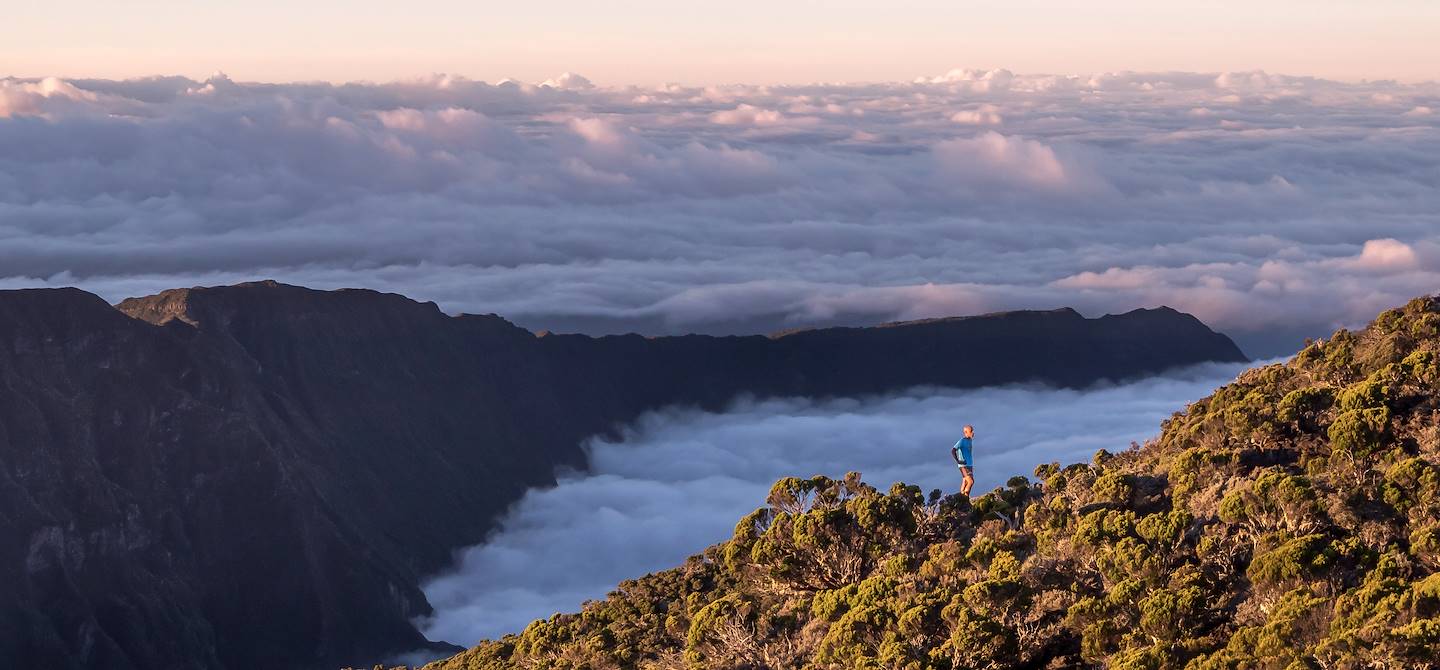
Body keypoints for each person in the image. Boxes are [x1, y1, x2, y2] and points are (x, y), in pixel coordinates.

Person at [951, 424, 975, 497]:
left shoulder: (970, 440)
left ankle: (962, 498)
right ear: (966, 432)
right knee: (970, 482)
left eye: (973, 431)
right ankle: (965, 498)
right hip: (963, 465)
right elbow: (953, 450)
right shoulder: (961, 441)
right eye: (971, 431)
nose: (973, 433)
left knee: (965, 481)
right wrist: (958, 461)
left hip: (969, 464)